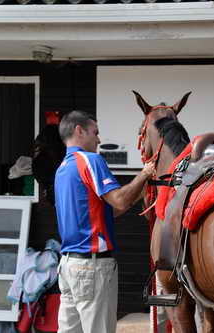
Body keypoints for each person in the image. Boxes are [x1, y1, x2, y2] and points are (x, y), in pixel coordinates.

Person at [54, 110, 155, 333]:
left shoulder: (62, 169)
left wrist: (139, 190)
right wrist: (145, 173)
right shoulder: (91, 160)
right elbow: (119, 201)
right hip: (92, 267)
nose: (99, 139)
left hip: (68, 266)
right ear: (79, 131)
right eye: (95, 132)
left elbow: (108, 211)